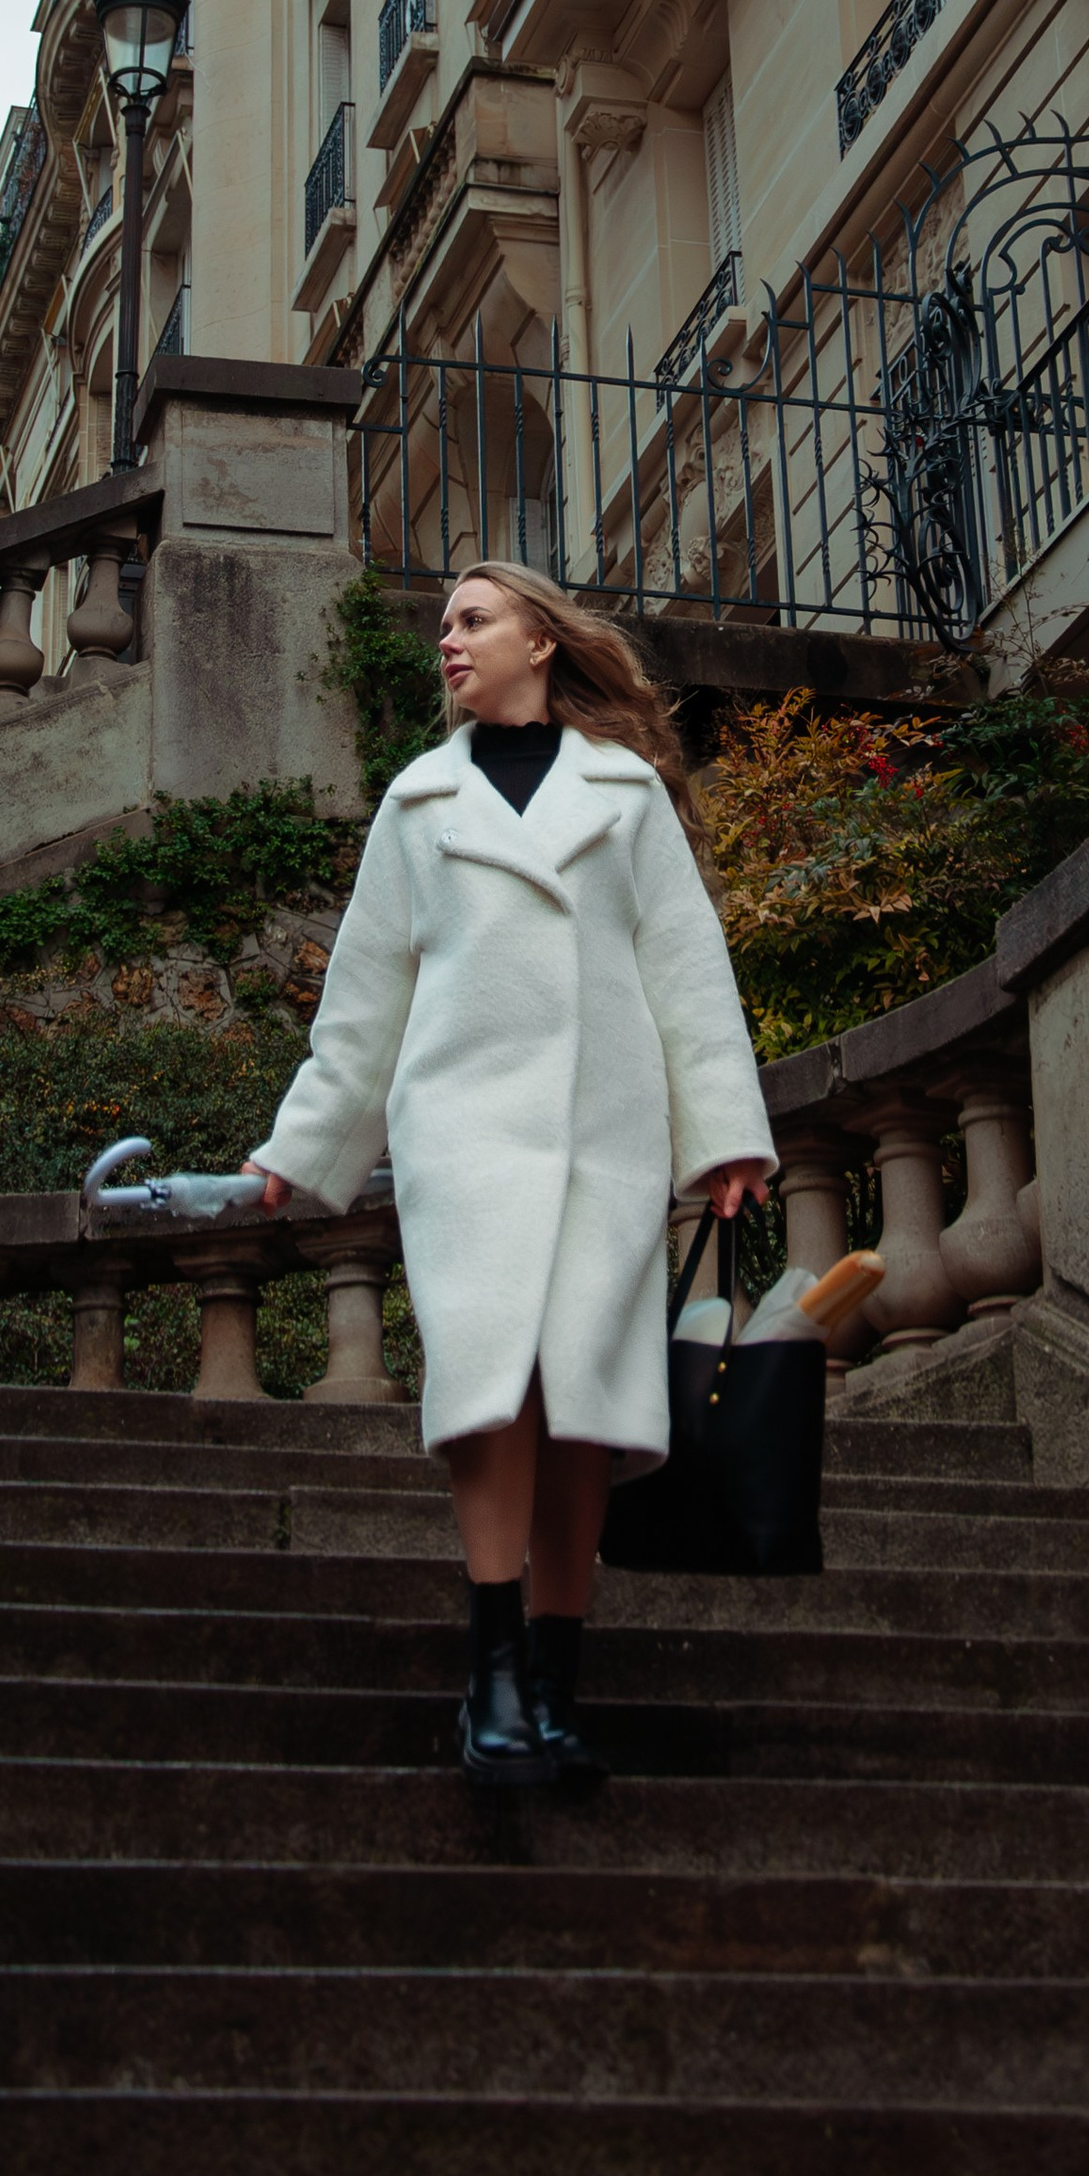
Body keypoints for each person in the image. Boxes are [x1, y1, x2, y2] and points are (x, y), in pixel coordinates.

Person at [246, 562, 771, 1787]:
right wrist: (302, 1144)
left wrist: (726, 1134)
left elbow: (689, 973)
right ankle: (488, 1680)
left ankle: (554, 1681)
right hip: (465, 1137)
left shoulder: (624, 792)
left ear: (540, 639)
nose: (449, 641)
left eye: (473, 620)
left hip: (605, 1134)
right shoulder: (416, 804)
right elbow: (365, 1004)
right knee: (490, 1391)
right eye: (442, 625)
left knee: (580, 1408)